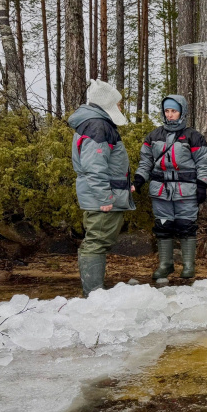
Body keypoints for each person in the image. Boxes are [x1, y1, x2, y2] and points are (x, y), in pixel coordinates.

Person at [133, 96, 207, 280]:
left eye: (174, 111)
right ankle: (165, 264)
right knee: (163, 225)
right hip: (160, 190)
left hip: (186, 190)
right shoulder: (153, 136)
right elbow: (145, 162)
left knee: (186, 225)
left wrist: (202, 184)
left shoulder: (194, 136)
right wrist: (139, 179)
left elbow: (204, 163)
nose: (170, 115)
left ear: (182, 112)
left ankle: (188, 265)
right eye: (167, 111)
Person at [70, 79, 136, 297]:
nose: (120, 107)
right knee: (97, 241)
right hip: (102, 197)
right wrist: (104, 197)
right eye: (117, 103)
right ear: (106, 103)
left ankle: (95, 291)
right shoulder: (97, 126)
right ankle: (93, 294)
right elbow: (94, 166)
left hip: (108, 193)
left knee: (100, 239)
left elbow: (108, 165)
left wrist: (125, 187)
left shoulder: (97, 124)